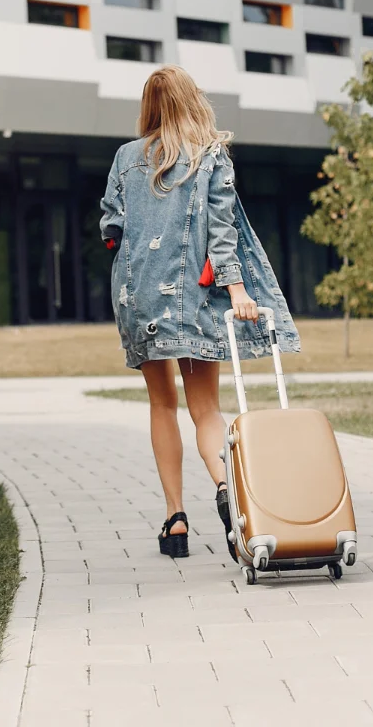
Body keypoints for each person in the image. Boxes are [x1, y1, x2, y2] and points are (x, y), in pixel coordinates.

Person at [99, 65, 298, 559]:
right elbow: (221, 230)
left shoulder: (125, 158)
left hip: (138, 296)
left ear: (148, 106)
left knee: (161, 403)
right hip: (192, 296)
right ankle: (227, 488)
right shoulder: (211, 157)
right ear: (193, 101)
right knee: (205, 407)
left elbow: (110, 224)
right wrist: (235, 290)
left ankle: (175, 520)